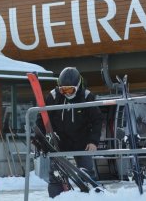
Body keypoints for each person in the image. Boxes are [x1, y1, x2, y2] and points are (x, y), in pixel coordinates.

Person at [36, 67, 103, 198]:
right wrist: (41, 138)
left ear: (77, 86)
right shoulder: (54, 96)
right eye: (63, 89)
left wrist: (93, 141)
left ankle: (93, 196)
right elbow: (42, 118)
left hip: (82, 141)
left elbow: (97, 120)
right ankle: (56, 198)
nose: (66, 93)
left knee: (86, 173)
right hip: (59, 140)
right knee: (56, 174)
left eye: (69, 89)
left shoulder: (86, 96)